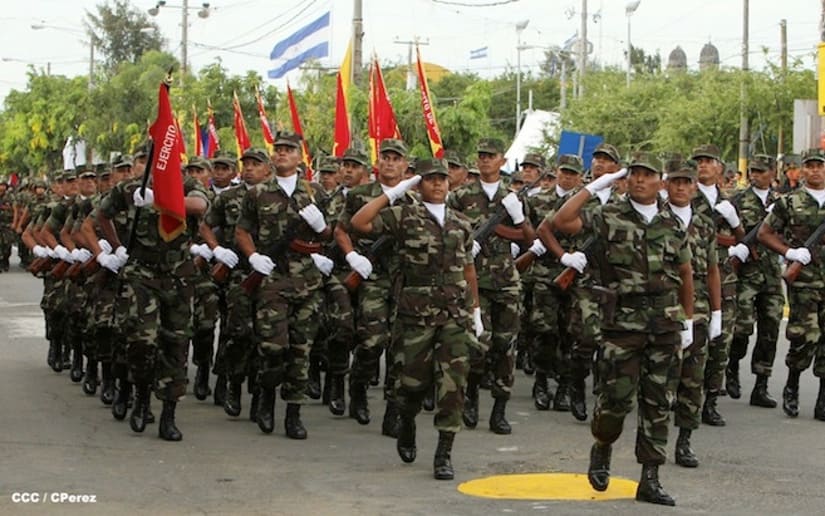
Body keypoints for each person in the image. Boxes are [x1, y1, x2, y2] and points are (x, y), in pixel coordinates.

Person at [554, 152, 694, 506]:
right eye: (635, 174)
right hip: (623, 324)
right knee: (615, 400)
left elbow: (686, 272)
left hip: (664, 323)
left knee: (658, 401)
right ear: (626, 179)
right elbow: (562, 220)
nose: (640, 180)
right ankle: (602, 445)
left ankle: (650, 478)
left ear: (660, 182)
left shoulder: (672, 222)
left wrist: (688, 320)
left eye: (648, 175)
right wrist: (593, 187)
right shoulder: (608, 215)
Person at [349, 158, 482, 480]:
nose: (437, 184)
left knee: (453, 385)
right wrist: (395, 191)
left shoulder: (461, 222)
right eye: (430, 179)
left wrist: (476, 311)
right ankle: (407, 420)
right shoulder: (404, 215)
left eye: (442, 179)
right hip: (416, 313)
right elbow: (359, 222)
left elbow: (468, 269)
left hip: (455, 313)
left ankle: (444, 452)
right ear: (419, 183)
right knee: (411, 383)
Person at [93, 144, 210, 441]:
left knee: (176, 344)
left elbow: (199, 206)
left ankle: (168, 414)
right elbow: (102, 214)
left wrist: (159, 199)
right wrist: (117, 247)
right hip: (142, 273)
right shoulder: (131, 188)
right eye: (155, 159)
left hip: (178, 275)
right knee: (141, 341)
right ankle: (141, 396)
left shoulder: (188, 184)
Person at [235, 135, 331, 438]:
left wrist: (321, 228)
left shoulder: (315, 192)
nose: (282, 155)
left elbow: (331, 235)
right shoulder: (258, 193)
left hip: (307, 282)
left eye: (288, 150)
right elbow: (242, 230)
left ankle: (293, 413)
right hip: (272, 280)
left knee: (301, 350)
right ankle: (266, 394)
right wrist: (253, 256)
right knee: (273, 347)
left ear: (299, 157)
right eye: (278, 150)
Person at [447, 137, 535, 435]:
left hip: (506, 281)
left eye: (491, 155)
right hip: (474, 282)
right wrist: (465, 245)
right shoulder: (461, 196)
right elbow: (447, 230)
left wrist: (518, 216)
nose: (485, 160)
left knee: (505, 346)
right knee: (477, 343)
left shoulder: (514, 197)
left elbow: (529, 239)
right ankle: (471, 397)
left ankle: (500, 409)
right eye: (481, 155)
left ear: (502, 161)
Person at [335, 138, 418, 436]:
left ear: (405, 166)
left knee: (400, 347)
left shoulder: (413, 201)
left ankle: (393, 410)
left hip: (403, 279)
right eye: (386, 157)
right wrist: (352, 256)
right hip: (371, 276)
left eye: (396, 159)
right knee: (371, 342)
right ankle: (358, 387)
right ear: (377, 162)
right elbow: (341, 230)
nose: (390, 163)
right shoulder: (360, 195)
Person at [757, 148, 825, 422]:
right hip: (804, 281)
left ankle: (822, 400)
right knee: (804, 337)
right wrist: (790, 253)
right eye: (810, 166)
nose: (815, 170)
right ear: (802, 170)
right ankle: (792, 384)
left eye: (820, 166)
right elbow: (764, 233)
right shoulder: (789, 201)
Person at [664, 159, 722, 468]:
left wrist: (717, 312)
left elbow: (712, 269)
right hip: (664, 303)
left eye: (686, 182)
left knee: (693, 376)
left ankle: (685, 440)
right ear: (666, 185)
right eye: (676, 181)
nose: (681, 187)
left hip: (698, 307)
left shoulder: (705, 224)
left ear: (695, 187)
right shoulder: (656, 219)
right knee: (662, 376)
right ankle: (655, 439)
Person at [691, 144, 744, 427]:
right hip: (693, 277)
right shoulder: (685, 196)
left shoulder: (730, 201)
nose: (703, 165)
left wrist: (734, 222)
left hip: (724, 280)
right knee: (692, 345)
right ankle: (686, 400)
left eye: (708, 161)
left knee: (721, 343)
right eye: (698, 161)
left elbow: (742, 236)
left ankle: (710, 401)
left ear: (719, 168)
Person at [727, 155, 783, 408]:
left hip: (771, 274)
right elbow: (726, 233)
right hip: (746, 275)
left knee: (770, 329)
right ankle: (732, 368)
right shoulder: (738, 200)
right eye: (753, 171)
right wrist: (737, 247)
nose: (755, 175)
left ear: (772, 172)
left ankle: (761, 385)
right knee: (741, 327)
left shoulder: (782, 202)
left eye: (761, 171)